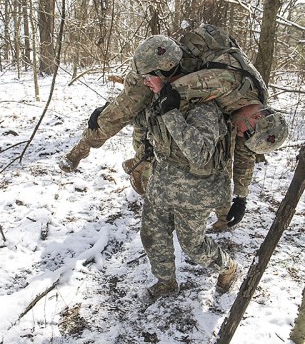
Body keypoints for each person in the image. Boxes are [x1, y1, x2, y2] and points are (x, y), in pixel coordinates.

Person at [59, 29, 288, 230]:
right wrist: (111, 109)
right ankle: (80, 150)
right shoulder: (225, 83)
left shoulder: (255, 105)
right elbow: (170, 94)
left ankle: (218, 211)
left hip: (189, 81)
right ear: (256, 116)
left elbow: (243, 151)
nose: (240, 134)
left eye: (245, 135)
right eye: (244, 132)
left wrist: (241, 197)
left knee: (217, 148)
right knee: (120, 114)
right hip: (161, 71)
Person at [131, 38, 236, 299]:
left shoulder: (204, 105)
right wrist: (104, 115)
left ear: (163, 72)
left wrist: (171, 111)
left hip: (195, 191)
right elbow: (145, 120)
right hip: (162, 181)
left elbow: (199, 154)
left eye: (149, 77)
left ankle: (228, 266)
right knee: (151, 235)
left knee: (193, 246)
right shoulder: (162, 96)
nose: (146, 82)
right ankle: (166, 281)